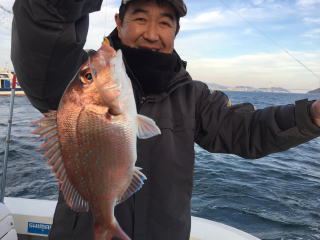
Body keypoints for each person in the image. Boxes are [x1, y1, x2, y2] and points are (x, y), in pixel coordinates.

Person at [11, 0, 320, 239]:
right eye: (140, 18)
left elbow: (246, 130)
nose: (151, 32)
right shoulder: (73, 76)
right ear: (119, 22)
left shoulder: (193, 96)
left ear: (175, 31)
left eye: (164, 22)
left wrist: (312, 115)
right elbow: (42, 33)